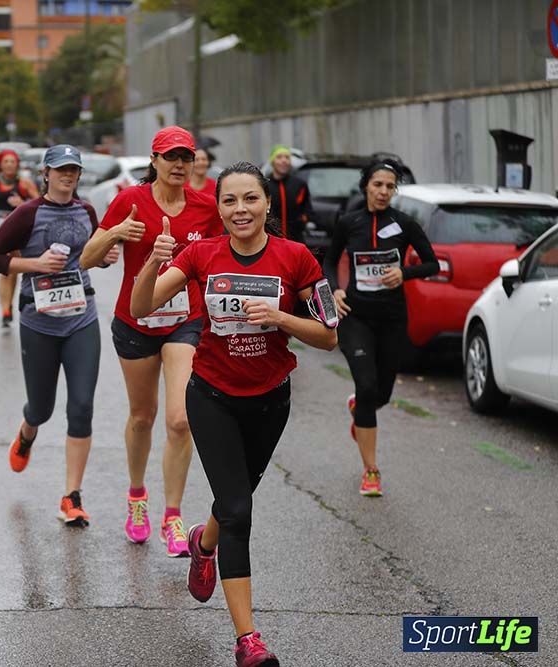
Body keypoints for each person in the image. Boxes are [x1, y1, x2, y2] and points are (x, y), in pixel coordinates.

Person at [131, 161, 337, 667]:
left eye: (250, 199)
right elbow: (141, 307)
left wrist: (282, 317)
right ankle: (248, 641)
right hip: (213, 397)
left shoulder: (298, 257)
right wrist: (153, 263)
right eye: (229, 201)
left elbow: (329, 336)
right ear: (218, 206)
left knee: (232, 501)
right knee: (240, 510)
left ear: (268, 204)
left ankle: (204, 543)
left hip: (270, 400)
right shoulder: (201, 253)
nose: (240, 209)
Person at [80, 126, 222, 557]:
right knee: (143, 416)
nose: (179, 165)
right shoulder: (129, 201)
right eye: (171, 157)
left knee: (180, 420)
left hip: (185, 320)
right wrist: (117, 233)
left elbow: (221, 255)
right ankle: (137, 496)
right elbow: (87, 258)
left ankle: (172, 515)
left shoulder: (205, 206)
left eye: (186, 157)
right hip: (136, 321)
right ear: (154, 161)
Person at [0, 145, 119, 526]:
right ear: (45, 173)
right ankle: (27, 432)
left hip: (81, 317)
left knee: (81, 407)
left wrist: (105, 256)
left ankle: (71, 496)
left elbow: (93, 254)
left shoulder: (87, 210)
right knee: (41, 408)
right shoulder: (28, 213)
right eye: (61, 170)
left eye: (73, 169)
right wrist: (34, 264)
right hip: (39, 321)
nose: (68, 176)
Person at [323, 159, 437, 497]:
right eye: (378, 185)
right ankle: (371, 470)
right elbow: (329, 261)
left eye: (390, 186)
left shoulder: (405, 224)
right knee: (367, 384)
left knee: (381, 393)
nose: (384, 191)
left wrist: (406, 273)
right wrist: (335, 289)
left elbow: (432, 263)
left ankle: (360, 410)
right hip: (355, 316)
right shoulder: (349, 222)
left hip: (391, 318)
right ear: (366, 187)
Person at [0, 149, 40, 327]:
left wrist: (22, 204)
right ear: (0, 164)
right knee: (4, 270)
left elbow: (40, 204)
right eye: (6, 162)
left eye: (12, 162)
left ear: (17, 165)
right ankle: (5, 308)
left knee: (14, 269)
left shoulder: (25, 183)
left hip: (20, 231)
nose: (9, 165)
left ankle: (14, 302)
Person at [265, 145, 312, 244]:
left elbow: (308, 209)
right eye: (279, 157)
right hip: (270, 240)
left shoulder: (299, 184)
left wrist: (304, 219)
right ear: (272, 161)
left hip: (295, 239)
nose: (284, 160)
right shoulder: (264, 184)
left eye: (287, 157)